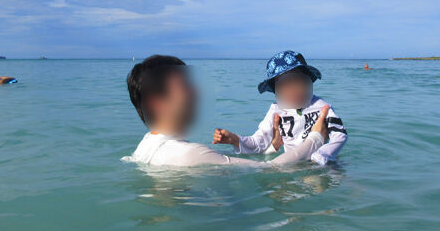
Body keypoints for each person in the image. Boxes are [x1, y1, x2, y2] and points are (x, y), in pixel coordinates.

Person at [122, 54, 329, 167]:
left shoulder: (145, 148)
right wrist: (316, 138)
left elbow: (219, 160)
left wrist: (272, 147)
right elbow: (271, 170)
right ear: (156, 103)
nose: (197, 91)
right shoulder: (189, 154)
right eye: (185, 86)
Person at [213, 50, 347, 166]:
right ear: (276, 90)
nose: (294, 90)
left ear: (309, 81)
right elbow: (259, 142)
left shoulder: (322, 107)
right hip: (290, 163)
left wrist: (323, 154)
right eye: (285, 85)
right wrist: (235, 140)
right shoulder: (276, 111)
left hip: (323, 163)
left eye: (299, 81)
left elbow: (340, 135)